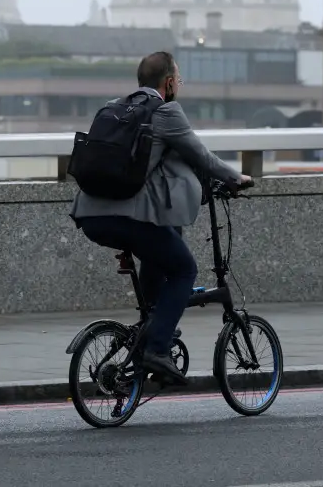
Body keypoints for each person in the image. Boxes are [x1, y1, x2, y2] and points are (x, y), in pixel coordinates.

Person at [70, 51, 250, 385]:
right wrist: (237, 178)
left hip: (90, 215)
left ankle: (149, 326)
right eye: (178, 80)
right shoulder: (165, 111)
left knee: (160, 250)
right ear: (168, 83)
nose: (178, 85)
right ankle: (157, 347)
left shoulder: (111, 108)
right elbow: (202, 156)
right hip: (129, 218)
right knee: (184, 269)